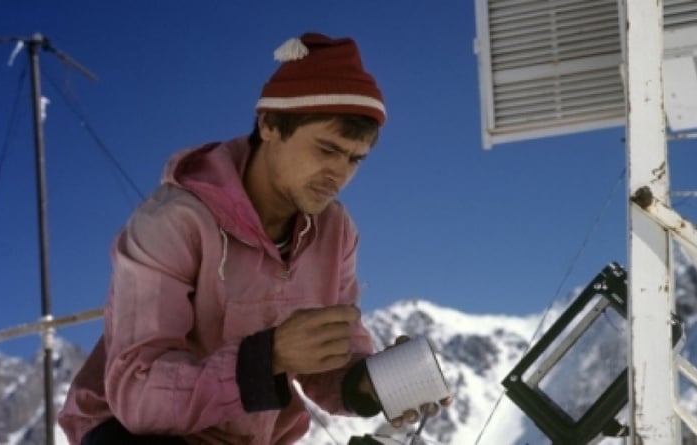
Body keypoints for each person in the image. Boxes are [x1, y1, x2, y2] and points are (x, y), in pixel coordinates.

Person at [58, 32, 448, 445]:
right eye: (326, 149)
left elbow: (328, 360)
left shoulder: (335, 232)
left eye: (354, 159)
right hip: (132, 433)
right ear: (270, 124)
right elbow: (138, 394)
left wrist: (374, 383)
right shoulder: (172, 220)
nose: (340, 174)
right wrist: (270, 356)